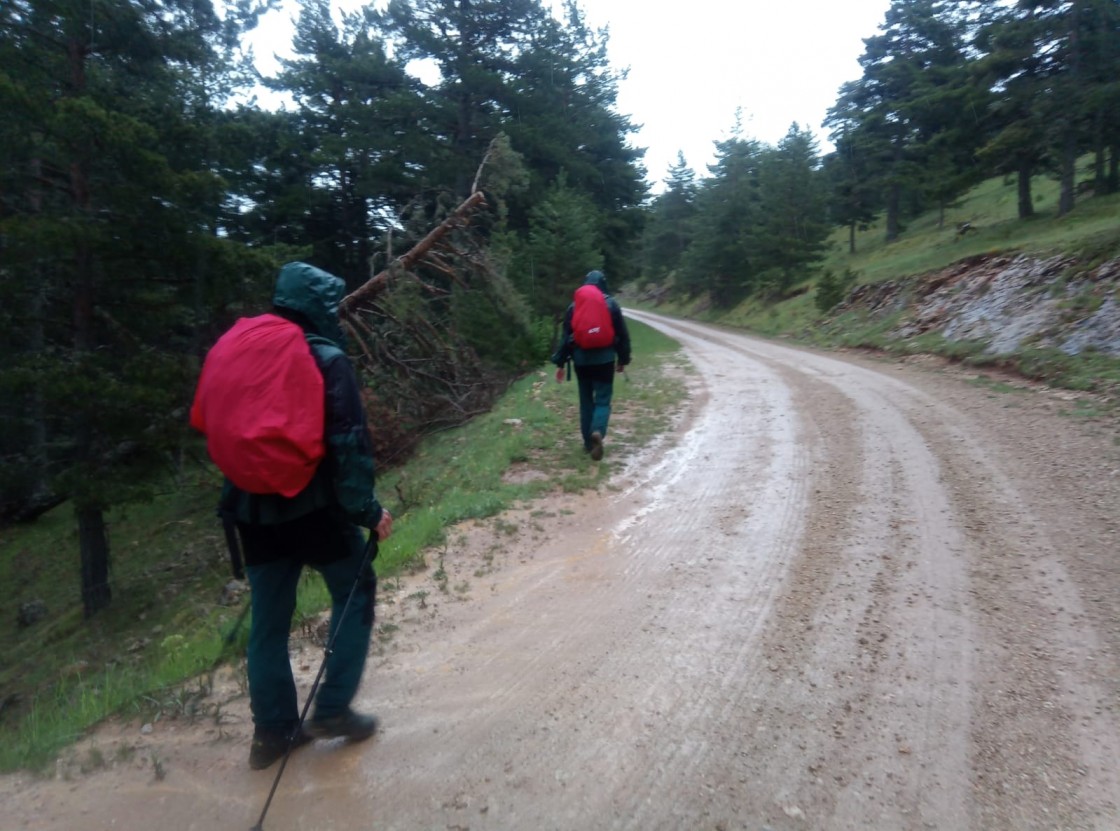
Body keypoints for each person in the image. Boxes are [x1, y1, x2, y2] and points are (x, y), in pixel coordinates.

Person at [219, 262, 393, 770]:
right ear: (318, 306)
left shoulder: (244, 353)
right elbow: (348, 445)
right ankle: (333, 709)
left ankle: (271, 733)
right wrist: (367, 511)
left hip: (249, 509)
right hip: (313, 510)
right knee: (355, 588)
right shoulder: (327, 359)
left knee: (268, 622)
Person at [552, 269, 632, 461]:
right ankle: (597, 430)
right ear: (603, 284)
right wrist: (623, 359)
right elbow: (622, 335)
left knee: (586, 400)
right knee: (603, 399)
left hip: (581, 361)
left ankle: (589, 444)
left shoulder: (574, 307)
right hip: (604, 360)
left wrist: (560, 362)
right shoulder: (611, 304)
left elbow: (566, 338)